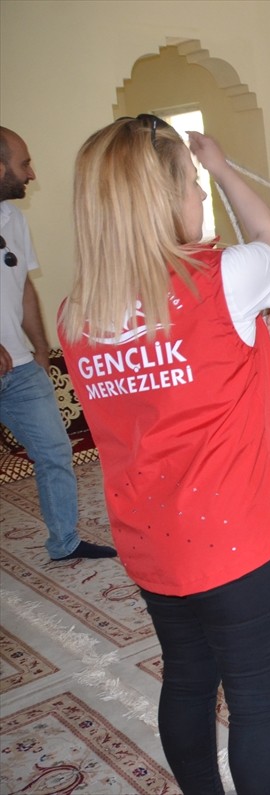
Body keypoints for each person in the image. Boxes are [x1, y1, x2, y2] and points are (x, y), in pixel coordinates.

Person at [58, 117, 270, 795]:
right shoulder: (226, 275)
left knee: (188, 677)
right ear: (163, 196)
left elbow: (157, 389)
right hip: (238, 540)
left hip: (152, 541)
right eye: (192, 187)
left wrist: (243, 329)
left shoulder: (76, 313)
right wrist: (222, 166)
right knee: (254, 702)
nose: (200, 198)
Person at [0, 126, 115, 562]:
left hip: (22, 368)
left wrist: (41, 348)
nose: (31, 174)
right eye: (24, 163)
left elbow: (23, 285)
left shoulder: (14, 220)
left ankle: (64, 542)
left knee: (54, 452)